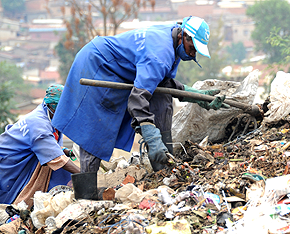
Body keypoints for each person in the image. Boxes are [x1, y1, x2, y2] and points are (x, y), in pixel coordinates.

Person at [53, 16, 228, 173]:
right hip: (98, 64)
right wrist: (151, 136)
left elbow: (162, 83)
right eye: (192, 47)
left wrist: (199, 96)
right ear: (183, 36)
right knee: (98, 127)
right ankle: (87, 190)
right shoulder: (159, 55)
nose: (193, 53)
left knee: (162, 100)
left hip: (121, 70)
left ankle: (165, 167)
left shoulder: (173, 34)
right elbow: (137, 100)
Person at [0, 84, 81, 208]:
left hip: (17, 157)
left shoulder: (44, 110)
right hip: (10, 164)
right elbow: (56, 158)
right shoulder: (39, 125)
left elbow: (45, 144)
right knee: (11, 200)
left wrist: (63, 150)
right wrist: (84, 175)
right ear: (55, 108)